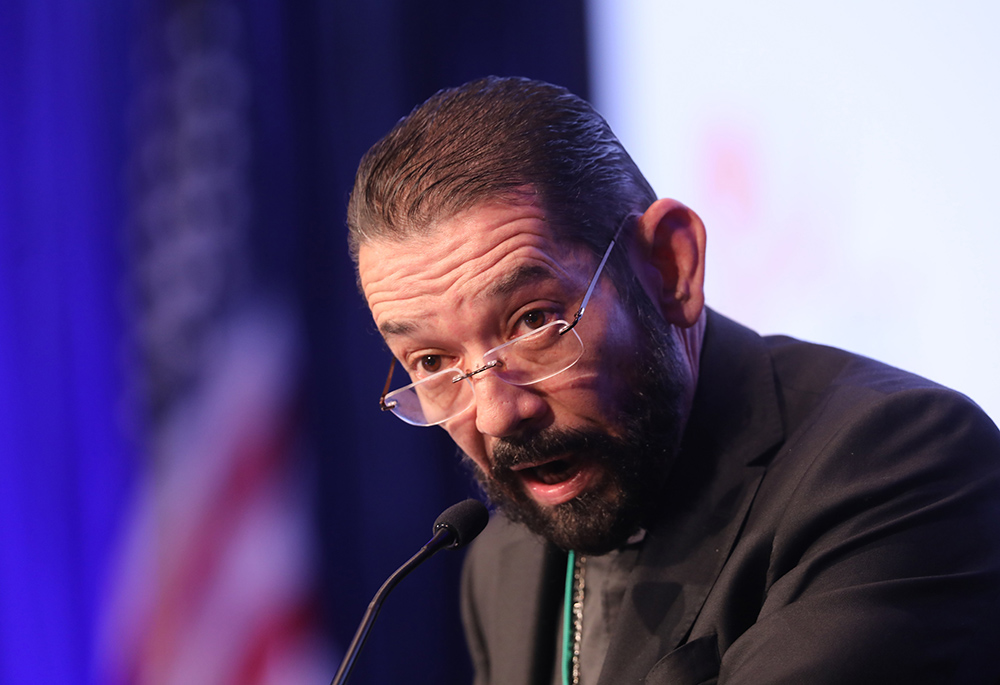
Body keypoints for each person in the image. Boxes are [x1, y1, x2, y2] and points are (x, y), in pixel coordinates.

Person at [347, 76, 1000, 684]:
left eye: (535, 320)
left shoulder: (897, 466)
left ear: (669, 268)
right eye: (432, 363)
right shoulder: (502, 562)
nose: (495, 413)